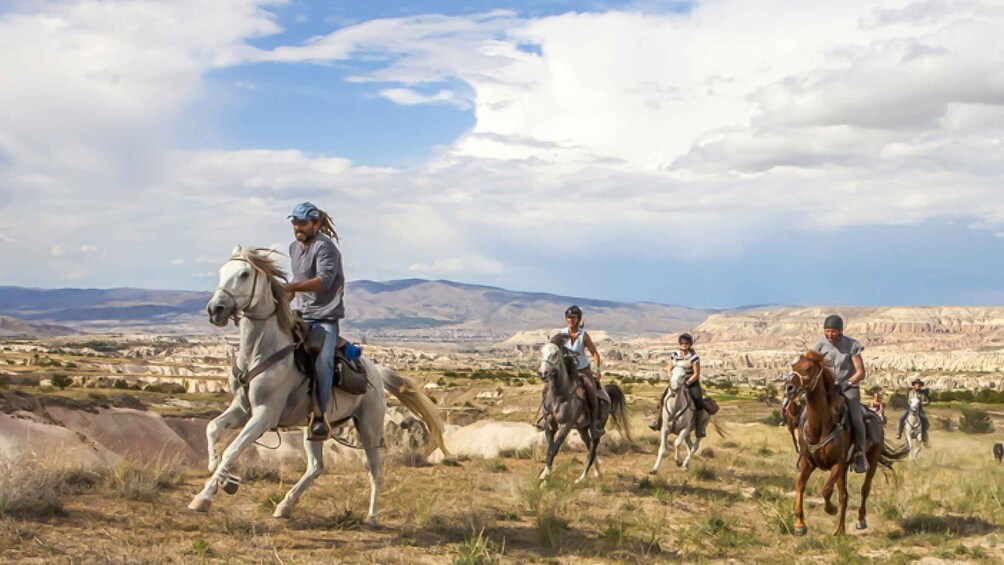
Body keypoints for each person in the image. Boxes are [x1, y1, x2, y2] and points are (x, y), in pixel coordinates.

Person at [284, 202, 345, 440]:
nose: (298, 227)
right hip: (301, 314)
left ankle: (320, 415)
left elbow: (323, 281)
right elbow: (297, 281)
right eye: (294, 223)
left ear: (316, 224)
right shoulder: (293, 248)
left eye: (302, 223)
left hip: (324, 317)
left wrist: (292, 286)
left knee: (323, 362)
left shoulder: (325, 248)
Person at [814, 314, 869, 474]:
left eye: (833, 331)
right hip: (826, 389)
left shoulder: (852, 345)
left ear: (840, 331)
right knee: (805, 412)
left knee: (856, 417)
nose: (830, 334)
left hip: (847, 387)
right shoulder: (819, 345)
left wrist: (847, 383)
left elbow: (860, 372)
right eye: (827, 331)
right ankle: (806, 449)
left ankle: (859, 454)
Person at [555, 305, 605, 437]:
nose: (570, 320)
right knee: (549, 388)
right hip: (566, 371)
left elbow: (595, 353)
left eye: (573, 317)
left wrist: (597, 369)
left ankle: (594, 424)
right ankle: (546, 418)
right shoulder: (562, 333)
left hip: (582, 370)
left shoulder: (583, 335)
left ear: (578, 319)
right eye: (568, 317)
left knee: (590, 390)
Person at [649, 333, 707, 437]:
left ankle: (699, 428)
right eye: (682, 343)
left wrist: (687, 382)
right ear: (679, 344)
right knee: (662, 399)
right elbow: (669, 368)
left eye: (686, 343)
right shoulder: (674, 354)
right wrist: (671, 377)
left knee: (699, 401)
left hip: (690, 382)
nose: (684, 345)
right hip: (675, 381)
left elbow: (696, 374)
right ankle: (657, 422)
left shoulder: (694, 357)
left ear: (690, 344)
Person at [897, 378, 931, 445]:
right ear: (914, 385)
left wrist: (921, 403)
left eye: (919, 384)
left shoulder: (923, 393)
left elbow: (927, 402)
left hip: (920, 409)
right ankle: (899, 433)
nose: (917, 385)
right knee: (901, 417)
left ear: (920, 385)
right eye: (916, 384)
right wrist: (913, 404)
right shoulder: (911, 392)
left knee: (925, 420)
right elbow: (909, 400)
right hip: (910, 408)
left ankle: (923, 434)